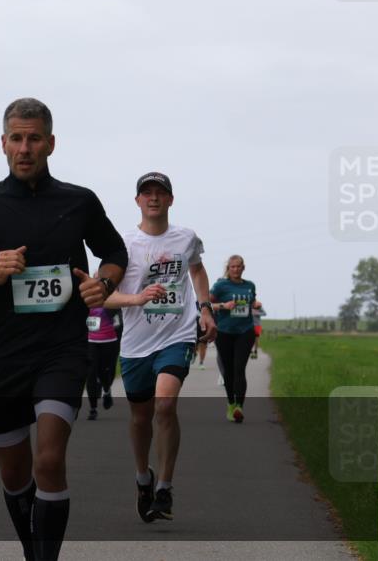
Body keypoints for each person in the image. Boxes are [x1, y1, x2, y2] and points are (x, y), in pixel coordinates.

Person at [0, 98, 127, 561]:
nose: (25, 148)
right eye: (17, 138)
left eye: (34, 138)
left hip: (61, 351)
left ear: (51, 143)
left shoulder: (79, 201)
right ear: (3, 144)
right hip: (1, 355)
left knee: (48, 459)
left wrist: (102, 284)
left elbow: (116, 253)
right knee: (15, 474)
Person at [104, 172, 216, 522]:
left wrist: (205, 309)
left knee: (165, 405)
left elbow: (197, 270)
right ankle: (143, 478)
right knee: (140, 417)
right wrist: (136, 297)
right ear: (137, 201)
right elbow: (103, 296)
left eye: (160, 193)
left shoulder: (186, 238)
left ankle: (165, 488)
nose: (153, 198)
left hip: (176, 335)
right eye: (146, 193)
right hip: (137, 342)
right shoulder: (123, 244)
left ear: (170, 199)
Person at [210, 255, 260, 423]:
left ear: (243, 267)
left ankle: (239, 407)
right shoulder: (220, 286)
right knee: (228, 371)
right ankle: (231, 403)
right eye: (233, 267)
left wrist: (255, 304)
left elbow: (251, 302)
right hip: (224, 332)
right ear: (228, 268)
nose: (236, 269)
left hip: (245, 331)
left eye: (239, 266)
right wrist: (223, 306)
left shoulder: (250, 286)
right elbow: (205, 304)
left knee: (239, 369)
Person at [84, 307, 120, 421]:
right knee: (90, 373)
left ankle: (107, 391)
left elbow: (116, 309)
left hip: (108, 340)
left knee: (103, 372)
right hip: (90, 341)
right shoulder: (85, 296)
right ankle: (93, 408)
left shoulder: (109, 296)